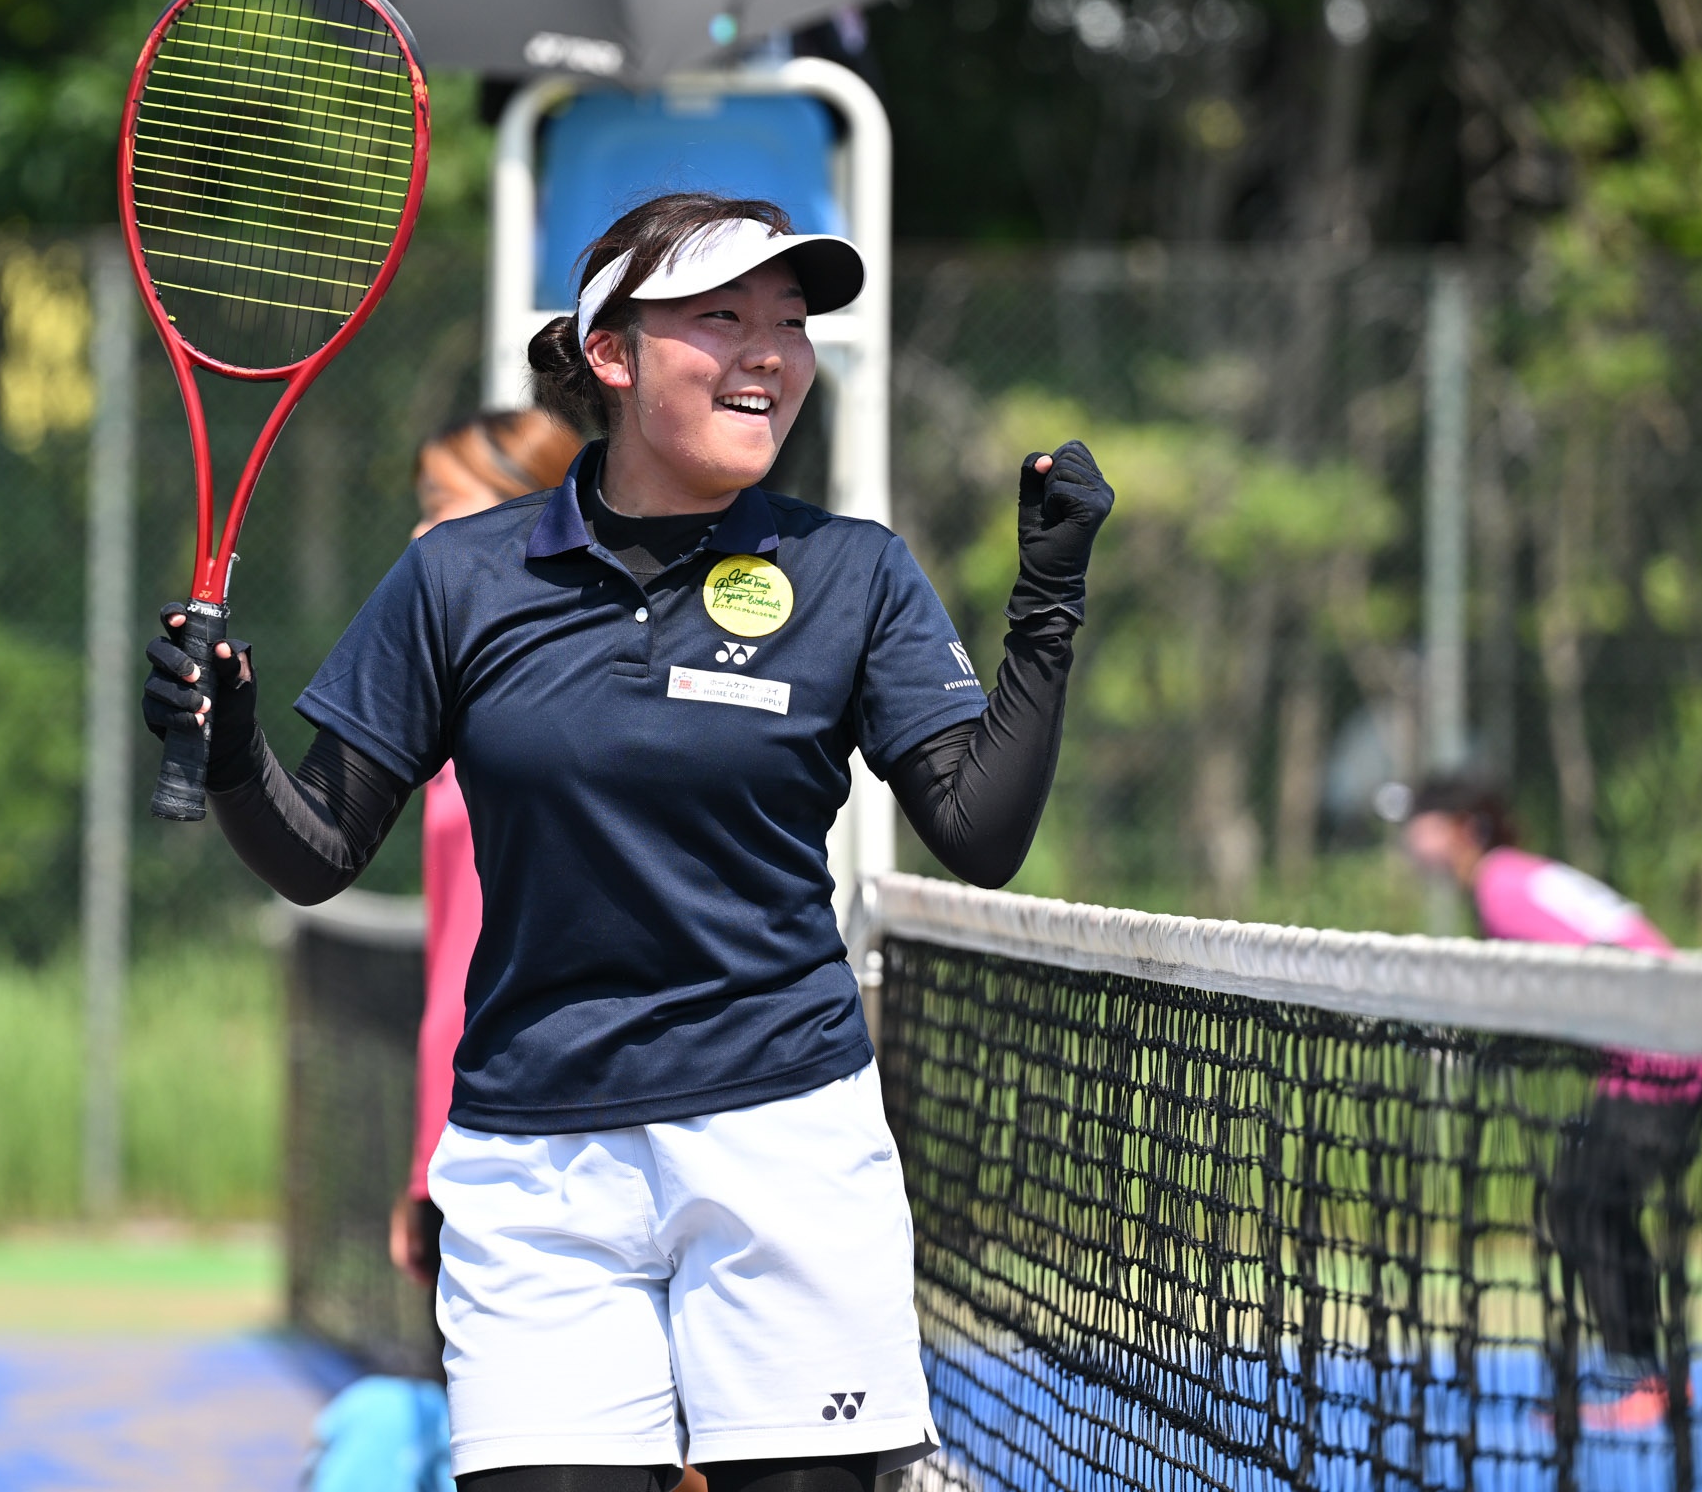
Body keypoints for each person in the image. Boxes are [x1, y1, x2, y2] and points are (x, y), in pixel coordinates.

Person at [143, 191, 1113, 1492]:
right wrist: (228, 752)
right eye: (723, 317)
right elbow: (318, 851)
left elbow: (979, 834)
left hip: (785, 1141)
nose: (769, 352)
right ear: (611, 352)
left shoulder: (856, 573)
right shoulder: (459, 578)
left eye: (790, 321)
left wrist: (1048, 596)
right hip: (535, 1169)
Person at [1397, 774, 1702, 1432]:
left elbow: (1567, 984)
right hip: (1655, 1049)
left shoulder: (1499, 888)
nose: (1410, 840)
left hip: (1665, 1051)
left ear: (1462, 827)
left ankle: (1645, 1377)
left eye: (1421, 823)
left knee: (1586, 1201)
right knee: (1586, 1199)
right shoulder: (1514, 877)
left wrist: (1476, 1045)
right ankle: (1644, 1372)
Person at [392, 407, 588, 1288]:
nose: (418, 532)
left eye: (441, 504)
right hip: (474, 1145)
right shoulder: (457, 708)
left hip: (544, 1154)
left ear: (525, 508)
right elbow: (454, 981)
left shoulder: (548, 730)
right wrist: (425, 1166)